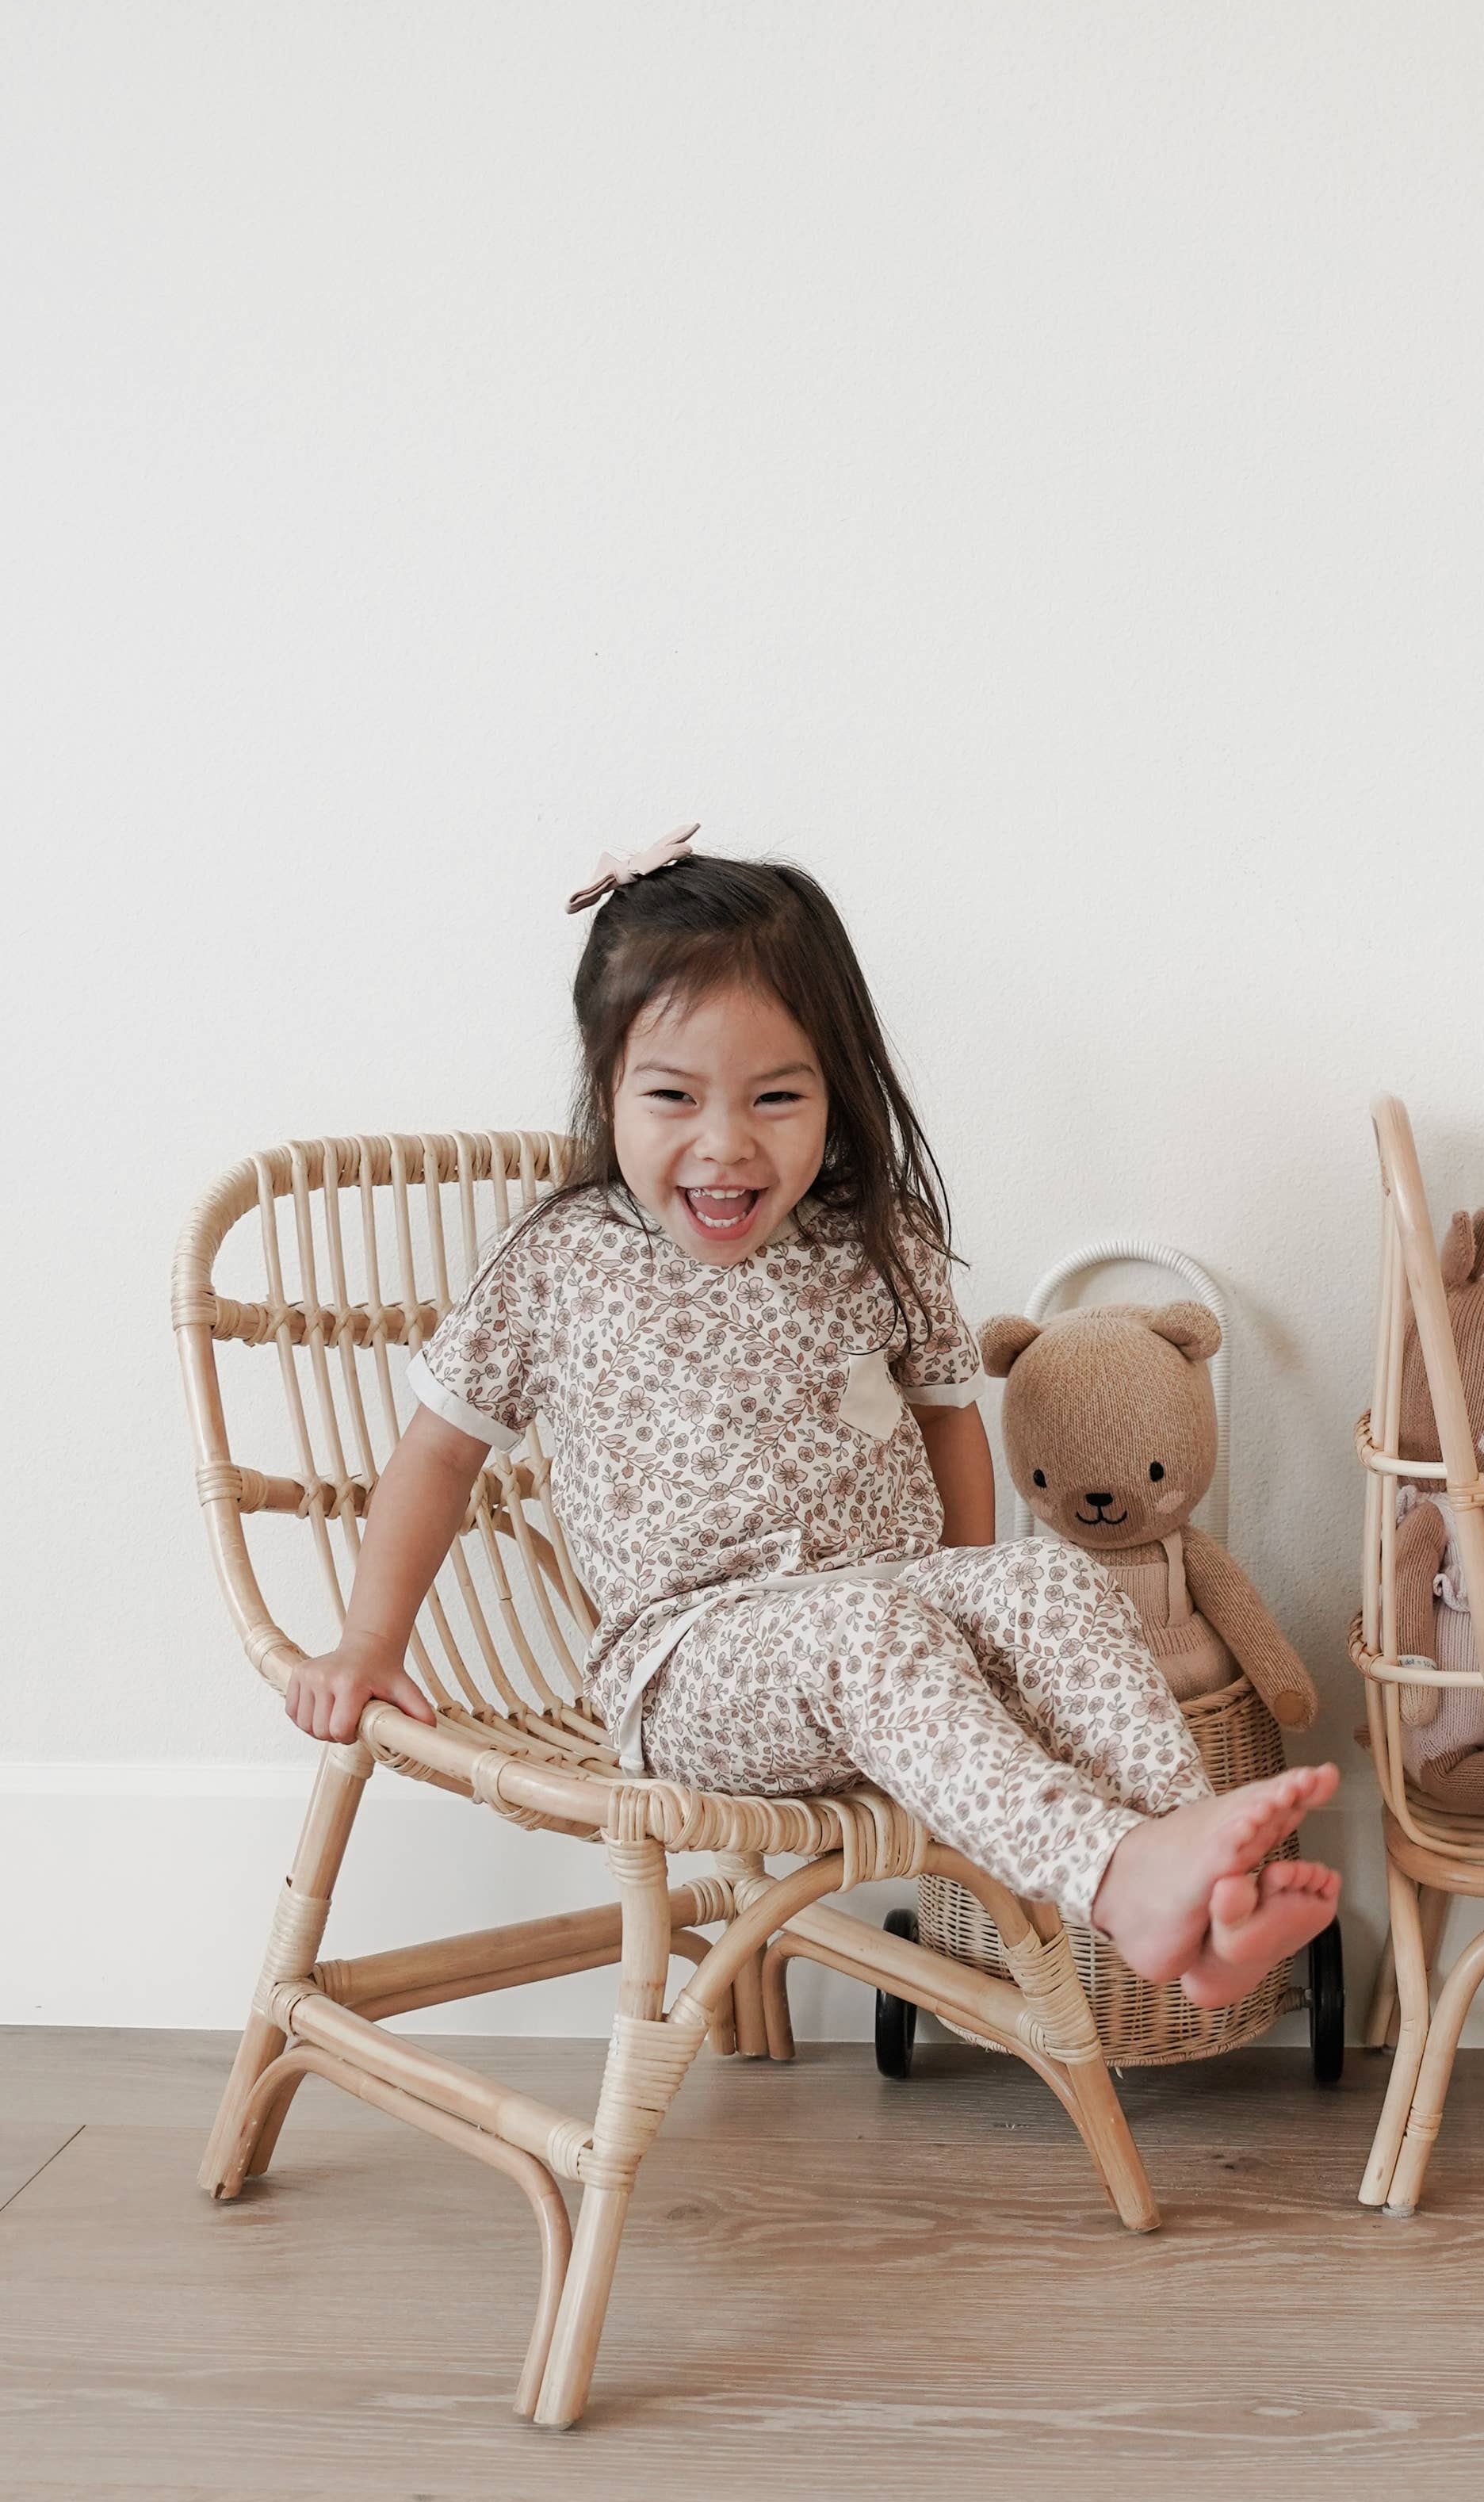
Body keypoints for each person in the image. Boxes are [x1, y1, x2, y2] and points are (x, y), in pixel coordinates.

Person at [281, 832, 1339, 2007]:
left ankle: (1197, 1878)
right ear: (605, 1090)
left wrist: (971, 1592)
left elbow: (947, 1425)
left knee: (1054, 1584)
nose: (726, 1143)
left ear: (834, 1091)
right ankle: (1117, 1876)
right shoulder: (560, 1262)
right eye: (673, 1097)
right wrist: (368, 1646)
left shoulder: (873, 1243)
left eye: (775, 1098)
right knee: (869, 1632)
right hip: (694, 1665)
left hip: (889, 1613)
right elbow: (438, 1454)